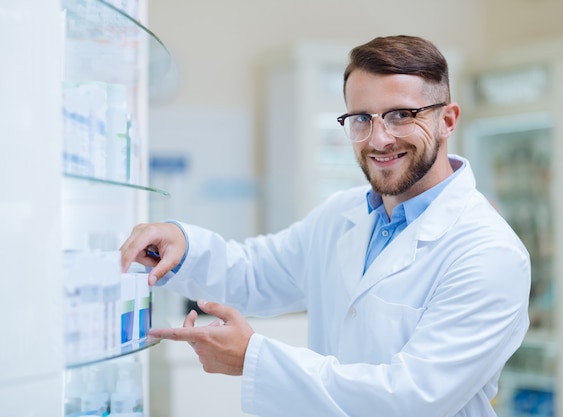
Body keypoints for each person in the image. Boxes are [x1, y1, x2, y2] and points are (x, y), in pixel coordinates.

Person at [121, 35, 531, 417]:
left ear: (448, 120)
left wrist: (255, 359)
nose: (379, 139)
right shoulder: (342, 213)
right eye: (361, 119)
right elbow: (255, 273)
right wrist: (183, 247)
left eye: (401, 115)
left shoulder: (489, 253)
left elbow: (411, 398)